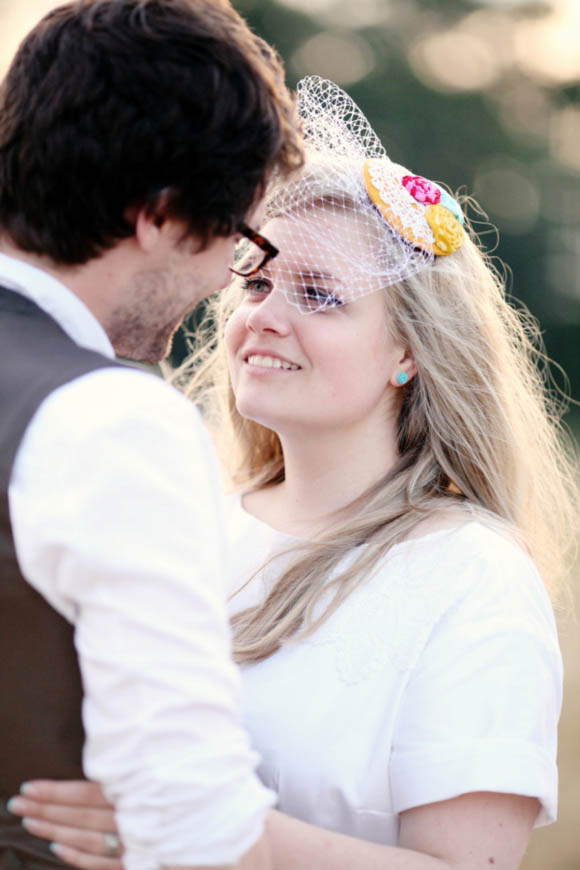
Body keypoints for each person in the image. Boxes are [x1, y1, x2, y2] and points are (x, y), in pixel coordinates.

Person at [8, 77, 579, 869]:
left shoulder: (470, 574)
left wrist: (203, 837)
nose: (265, 314)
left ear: (409, 351)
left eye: (318, 293)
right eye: (257, 281)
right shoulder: (194, 514)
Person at [0, 2, 304, 869]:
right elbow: (198, 827)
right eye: (237, 238)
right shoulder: (110, 419)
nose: (224, 281)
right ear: (161, 216)